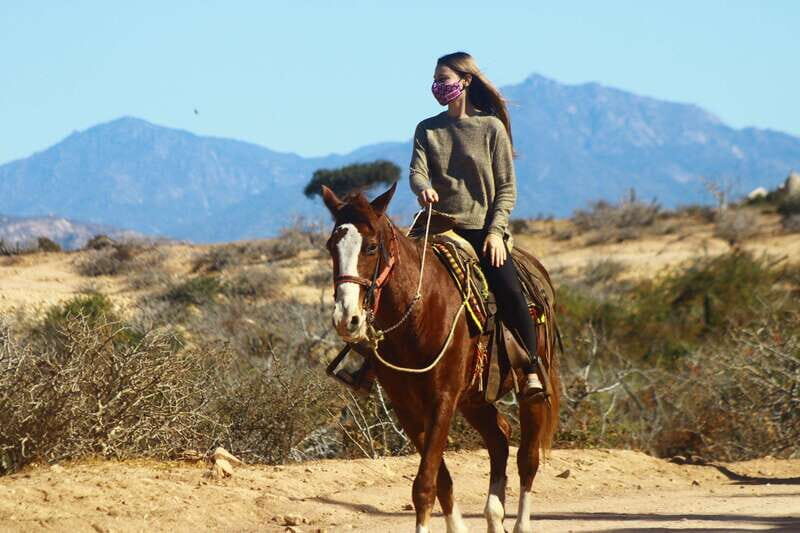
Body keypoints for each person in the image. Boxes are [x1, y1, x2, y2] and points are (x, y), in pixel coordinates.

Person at [409, 51, 550, 401]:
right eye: (435, 80)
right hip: (436, 226)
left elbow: (506, 187)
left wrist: (496, 232)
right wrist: (421, 187)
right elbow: (417, 171)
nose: (438, 86)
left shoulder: (491, 128)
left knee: (510, 290)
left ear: (466, 81)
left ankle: (530, 369)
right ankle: (367, 362)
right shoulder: (427, 128)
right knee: (389, 276)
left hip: (480, 228)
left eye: (444, 80)